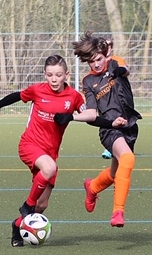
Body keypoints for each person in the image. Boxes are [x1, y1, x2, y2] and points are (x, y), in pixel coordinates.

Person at [0, 55, 86, 247]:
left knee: (42, 205)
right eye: (50, 75)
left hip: (50, 153)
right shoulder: (37, 90)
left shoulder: (74, 97)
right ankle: (27, 206)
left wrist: (109, 123)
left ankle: (17, 226)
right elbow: (15, 96)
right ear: (44, 74)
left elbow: (89, 114)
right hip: (30, 145)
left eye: (58, 75)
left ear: (66, 75)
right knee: (49, 169)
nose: (54, 79)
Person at [56, 32, 141, 227]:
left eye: (99, 59)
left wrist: (119, 71)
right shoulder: (88, 81)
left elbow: (125, 70)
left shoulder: (114, 62)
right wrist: (72, 117)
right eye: (91, 61)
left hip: (129, 126)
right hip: (109, 130)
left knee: (115, 173)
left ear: (105, 55)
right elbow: (92, 113)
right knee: (128, 159)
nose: (95, 64)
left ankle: (92, 187)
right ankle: (118, 212)